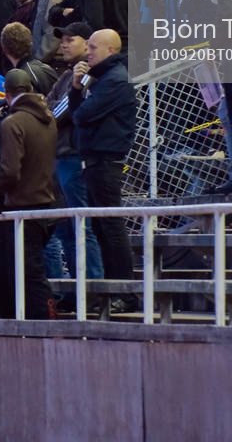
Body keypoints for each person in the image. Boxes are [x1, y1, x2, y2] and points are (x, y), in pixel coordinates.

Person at [0, 68, 61, 320]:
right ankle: (42, 323)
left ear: (6, 93)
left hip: (17, 209)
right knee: (30, 273)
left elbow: (9, 172)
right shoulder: (48, 120)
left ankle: (39, 326)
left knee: (17, 276)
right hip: (43, 205)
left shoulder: (12, 123)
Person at [70, 28, 136, 289]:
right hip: (96, 160)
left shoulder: (114, 80)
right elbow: (78, 114)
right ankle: (114, 289)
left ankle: (124, 290)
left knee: (110, 226)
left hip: (106, 161)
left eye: (93, 47)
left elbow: (81, 115)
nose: (88, 52)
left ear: (111, 50)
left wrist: (80, 92)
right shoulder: (102, 78)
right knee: (101, 227)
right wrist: (76, 87)